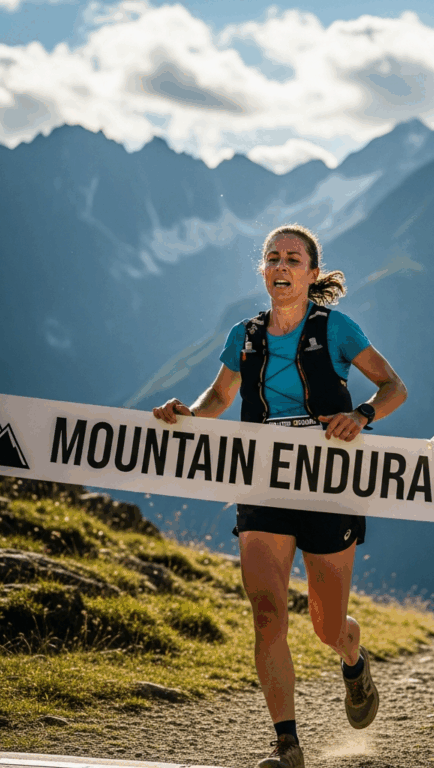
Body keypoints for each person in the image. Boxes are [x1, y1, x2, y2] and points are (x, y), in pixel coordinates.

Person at [153, 224, 407, 768]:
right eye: (273, 257)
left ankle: (353, 657)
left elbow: (393, 387)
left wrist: (361, 415)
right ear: (263, 271)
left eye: (294, 257)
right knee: (267, 614)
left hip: (329, 482)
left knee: (326, 625)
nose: (282, 265)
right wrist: (188, 417)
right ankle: (287, 745)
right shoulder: (244, 335)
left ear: (312, 274)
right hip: (263, 479)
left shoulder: (336, 329)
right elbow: (221, 395)